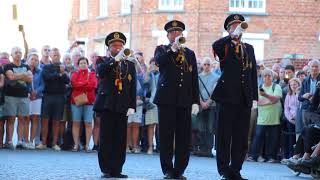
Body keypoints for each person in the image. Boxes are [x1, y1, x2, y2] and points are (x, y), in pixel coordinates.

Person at [211, 14, 258, 180]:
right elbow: (215, 46)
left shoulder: (249, 48)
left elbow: (253, 73)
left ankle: (236, 170)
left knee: (241, 137)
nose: (238, 27)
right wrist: (230, 37)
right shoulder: (225, 45)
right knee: (224, 136)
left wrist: (254, 99)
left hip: (244, 98)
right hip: (227, 97)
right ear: (228, 29)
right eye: (234, 25)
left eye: (240, 25)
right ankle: (224, 170)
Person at [154, 20, 200, 179]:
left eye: (178, 32)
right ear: (167, 35)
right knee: (166, 136)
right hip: (166, 100)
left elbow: (194, 78)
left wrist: (196, 101)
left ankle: (179, 170)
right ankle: (167, 169)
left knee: (183, 137)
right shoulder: (161, 49)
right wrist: (172, 50)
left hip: (184, 100)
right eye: (172, 32)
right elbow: (160, 63)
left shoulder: (189, 53)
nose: (176, 35)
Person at [97, 32, 136, 178]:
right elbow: (101, 72)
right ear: (109, 48)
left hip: (122, 105)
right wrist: (115, 60)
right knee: (106, 137)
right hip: (107, 104)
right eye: (114, 46)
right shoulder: (102, 60)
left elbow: (133, 85)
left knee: (120, 138)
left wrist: (132, 105)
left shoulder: (129, 64)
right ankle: (106, 168)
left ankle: (117, 168)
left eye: (120, 45)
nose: (118, 48)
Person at [36, 48, 70, 151]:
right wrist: (59, 74)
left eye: (58, 55)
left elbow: (67, 81)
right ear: (51, 56)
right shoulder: (46, 67)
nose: (56, 57)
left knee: (57, 121)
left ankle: (55, 143)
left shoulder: (63, 67)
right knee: (45, 120)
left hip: (60, 97)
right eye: (54, 55)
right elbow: (47, 78)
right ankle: (43, 143)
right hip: (47, 96)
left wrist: (63, 73)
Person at [3, 47, 33, 149]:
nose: (18, 54)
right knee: (11, 119)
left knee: (22, 119)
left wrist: (17, 75)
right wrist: (24, 75)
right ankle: (9, 141)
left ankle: (20, 141)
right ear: (11, 55)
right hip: (10, 96)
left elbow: (30, 79)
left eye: (20, 52)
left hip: (24, 96)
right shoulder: (8, 66)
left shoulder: (26, 66)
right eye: (16, 52)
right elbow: (11, 77)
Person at [70, 57, 97, 152]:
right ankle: (76, 145)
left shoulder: (92, 74)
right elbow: (74, 84)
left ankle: (87, 145)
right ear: (78, 65)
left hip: (89, 102)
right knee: (76, 122)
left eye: (84, 63)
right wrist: (85, 83)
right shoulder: (75, 74)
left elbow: (93, 85)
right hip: (76, 102)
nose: (83, 64)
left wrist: (81, 84)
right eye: (81, 63)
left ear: (87, 64)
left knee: (88, 123)